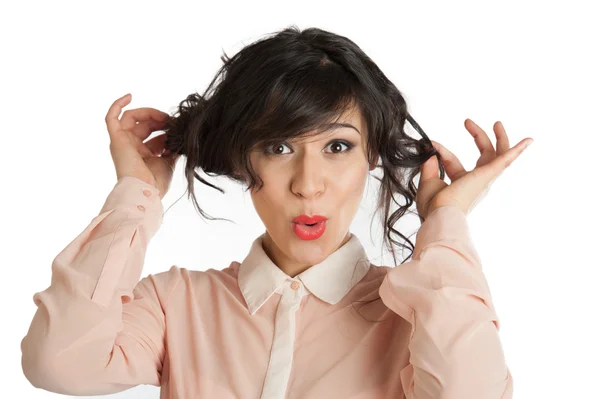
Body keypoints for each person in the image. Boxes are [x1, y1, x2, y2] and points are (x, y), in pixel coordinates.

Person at [21, 26, 531, 398]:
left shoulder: (414, 315)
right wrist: (135, 194)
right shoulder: (177, 305)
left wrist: (445, 223)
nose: (308, 186)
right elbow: (59, 364)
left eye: (337, 147)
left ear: (370, 157)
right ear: (245, 159)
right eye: (280, 148)